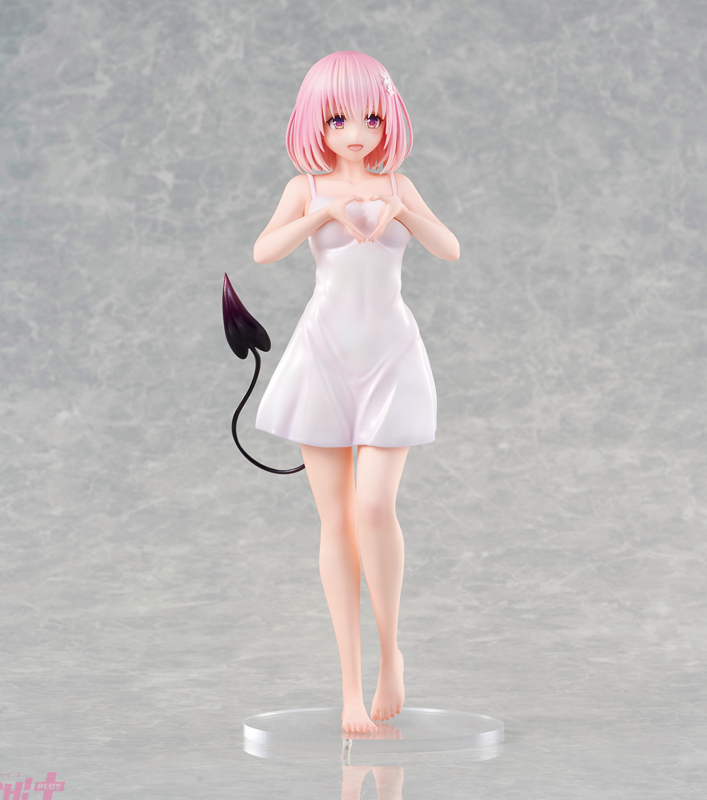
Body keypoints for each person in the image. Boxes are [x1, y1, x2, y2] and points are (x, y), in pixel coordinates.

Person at [252, 51, 459, 734]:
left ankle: (391, 653)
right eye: (338, 119)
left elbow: (450, 248)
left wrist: (404, 210)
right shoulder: (305, 187)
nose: (356, 132)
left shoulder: (399, 182)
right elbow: (264, 251)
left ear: (388, 118)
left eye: (370, 117)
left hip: (390, 356)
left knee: (374, 506)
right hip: (325, 358)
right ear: (316, 121)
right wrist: (321, 216)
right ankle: (348, 687)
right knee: (336, 520)